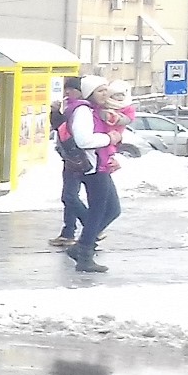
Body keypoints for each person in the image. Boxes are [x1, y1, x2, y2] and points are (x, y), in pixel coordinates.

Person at [63, 77, 123, 273]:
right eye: (100, 91)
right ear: (89, 93)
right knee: (98, 211)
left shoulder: (93, 110)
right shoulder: (83, 111)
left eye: (106, 90)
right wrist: (109, 138)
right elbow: (83, 140)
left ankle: (81, 246)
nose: (105, 94)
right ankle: (85, 254)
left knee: (112, 209)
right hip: (93, 167)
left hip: (100, 165)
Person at [49, 77, 87, 249]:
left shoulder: (79, 108)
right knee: (70, 196)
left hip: (77, 158)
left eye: (70, 89)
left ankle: (91, 225)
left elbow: (64, 130)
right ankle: (68, 232)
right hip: (72, 157)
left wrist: (56, 113)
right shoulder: (72, 106)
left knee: (69, 196)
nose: (66, 92)